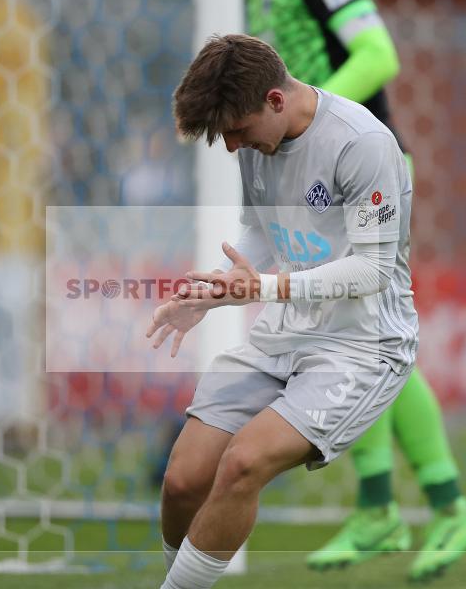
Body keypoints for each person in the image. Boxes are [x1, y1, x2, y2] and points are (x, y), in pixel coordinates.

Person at [147, 33, 417, 589]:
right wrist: (219, 291)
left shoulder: (360, 142)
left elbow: (373, 270)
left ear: (274, 100)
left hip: (363, 347)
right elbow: (262, 235)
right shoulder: (258, 143)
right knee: (182, 480)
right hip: (284, 333)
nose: (230, 147)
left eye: (236, 132)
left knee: (243, 463)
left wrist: (264, 290)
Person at [244, 0, 466, 580]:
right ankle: (395, 506)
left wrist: (311, 132)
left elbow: (378, 55)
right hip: (321, 174)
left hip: (359, 165)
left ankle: (431, 507)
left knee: (362, 338)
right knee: (355, 338)